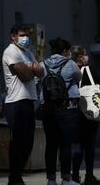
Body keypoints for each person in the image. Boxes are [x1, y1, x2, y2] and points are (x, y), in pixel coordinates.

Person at [2, 24, 44, 185]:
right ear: (13, 36)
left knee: (28, 142)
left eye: (26, 34)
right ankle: (14, 177)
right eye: (22, 34)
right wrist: (32, 68)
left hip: (28, 100)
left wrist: (32, 68)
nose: (25, 37)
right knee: (18, 141)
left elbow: (41, 72)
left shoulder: (27, 52)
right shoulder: (10, 52)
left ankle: (16, 175)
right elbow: (26, 76)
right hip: (16, 102)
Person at [40, 38, 82, 185]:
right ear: (65, 51)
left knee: (51, 145)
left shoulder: (43, 65)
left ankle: (51, 180)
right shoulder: (70, 64)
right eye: (68, 50)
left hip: (48, 110)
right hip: (67, 109)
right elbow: (79, 78)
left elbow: (38, 81)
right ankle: (66, 179)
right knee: (66, 144)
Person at [71, 46, 100, 185]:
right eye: (84, 54)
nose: (86, 56)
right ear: (79, 56)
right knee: (89, 146)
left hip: (74, 113)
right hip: (90, 114)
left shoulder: (69, 70)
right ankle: (89, 176)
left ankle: (74, 175)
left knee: (76, 146)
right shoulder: (89, 71)